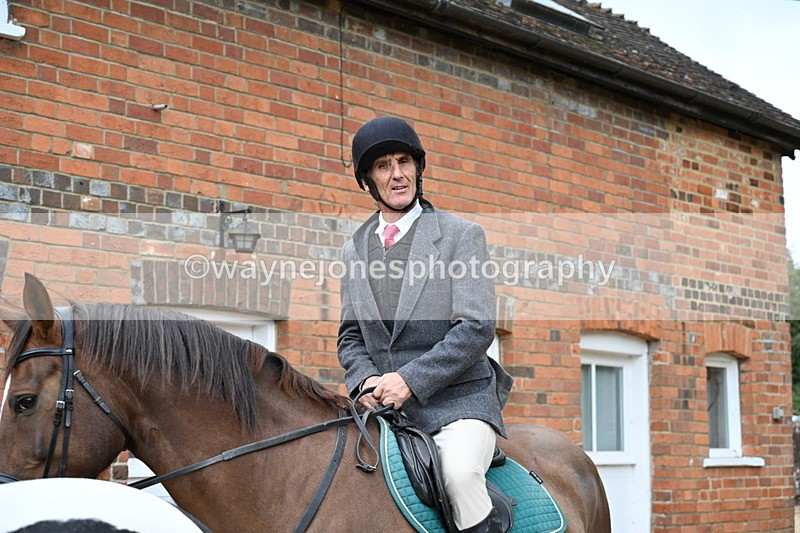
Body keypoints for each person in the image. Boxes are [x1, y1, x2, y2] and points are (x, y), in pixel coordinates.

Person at [337, 116, 514, 532]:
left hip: (459, 403)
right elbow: (351, 336)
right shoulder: (352, 249)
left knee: (458, 475)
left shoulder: (460, 235)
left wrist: (409, 381)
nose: (396, 174)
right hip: (385, 409)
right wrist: (365, 381)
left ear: (418, 168)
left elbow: (475, 328)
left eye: (403, 162)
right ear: (367, 181)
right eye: (382, 166)